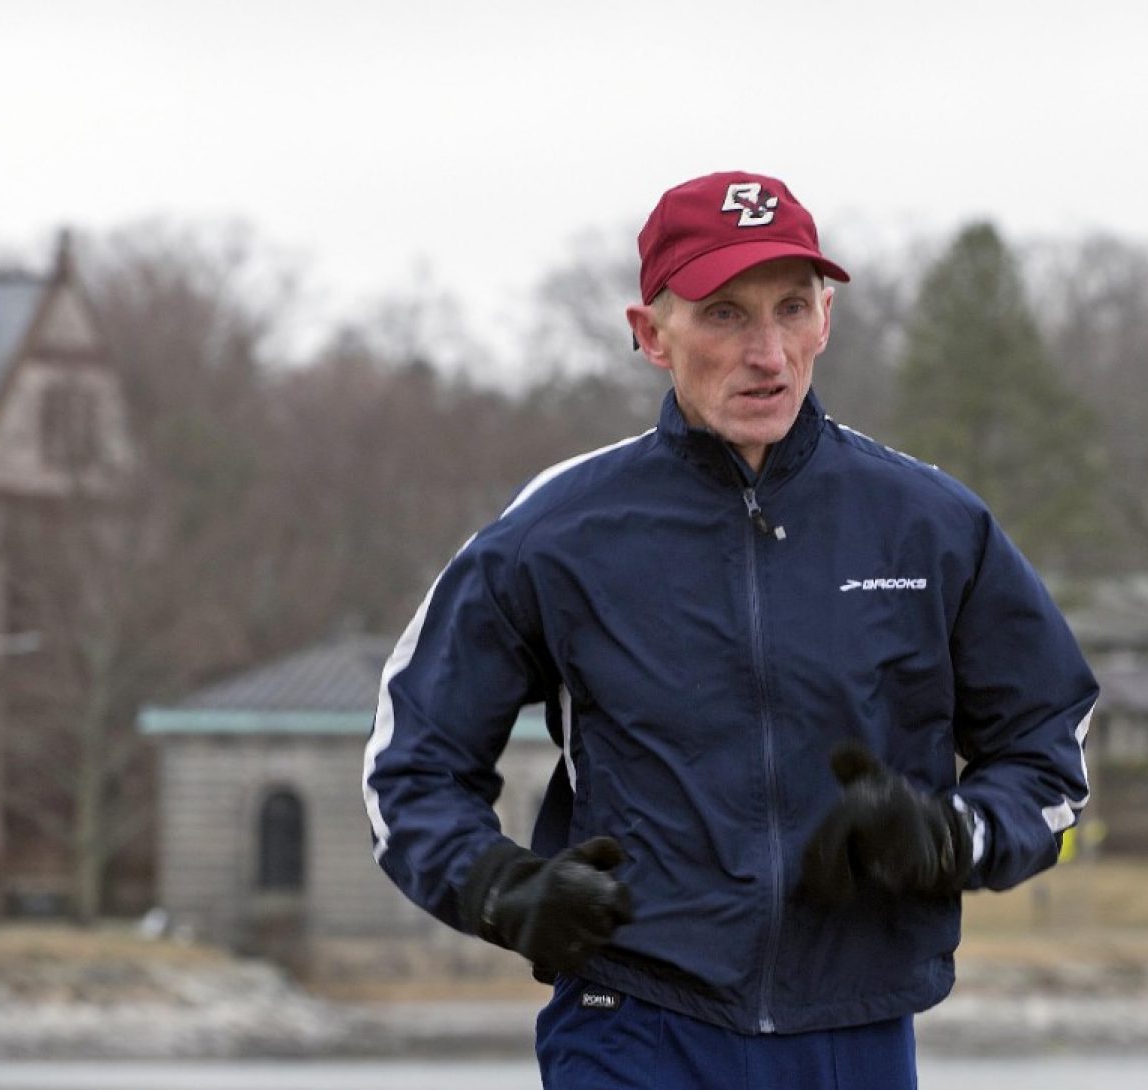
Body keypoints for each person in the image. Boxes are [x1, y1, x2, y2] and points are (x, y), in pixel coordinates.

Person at [363, 170, 1098, 1088]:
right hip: (633, 1026)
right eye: (723, 314)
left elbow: (1049, 756)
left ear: (827, 318)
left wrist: (956, 833)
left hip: (857, 1035)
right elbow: (411, 770)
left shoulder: (931, 524)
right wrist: (499, 887)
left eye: (793, 308)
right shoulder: (555, 534)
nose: (769, 353)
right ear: (650, 336)